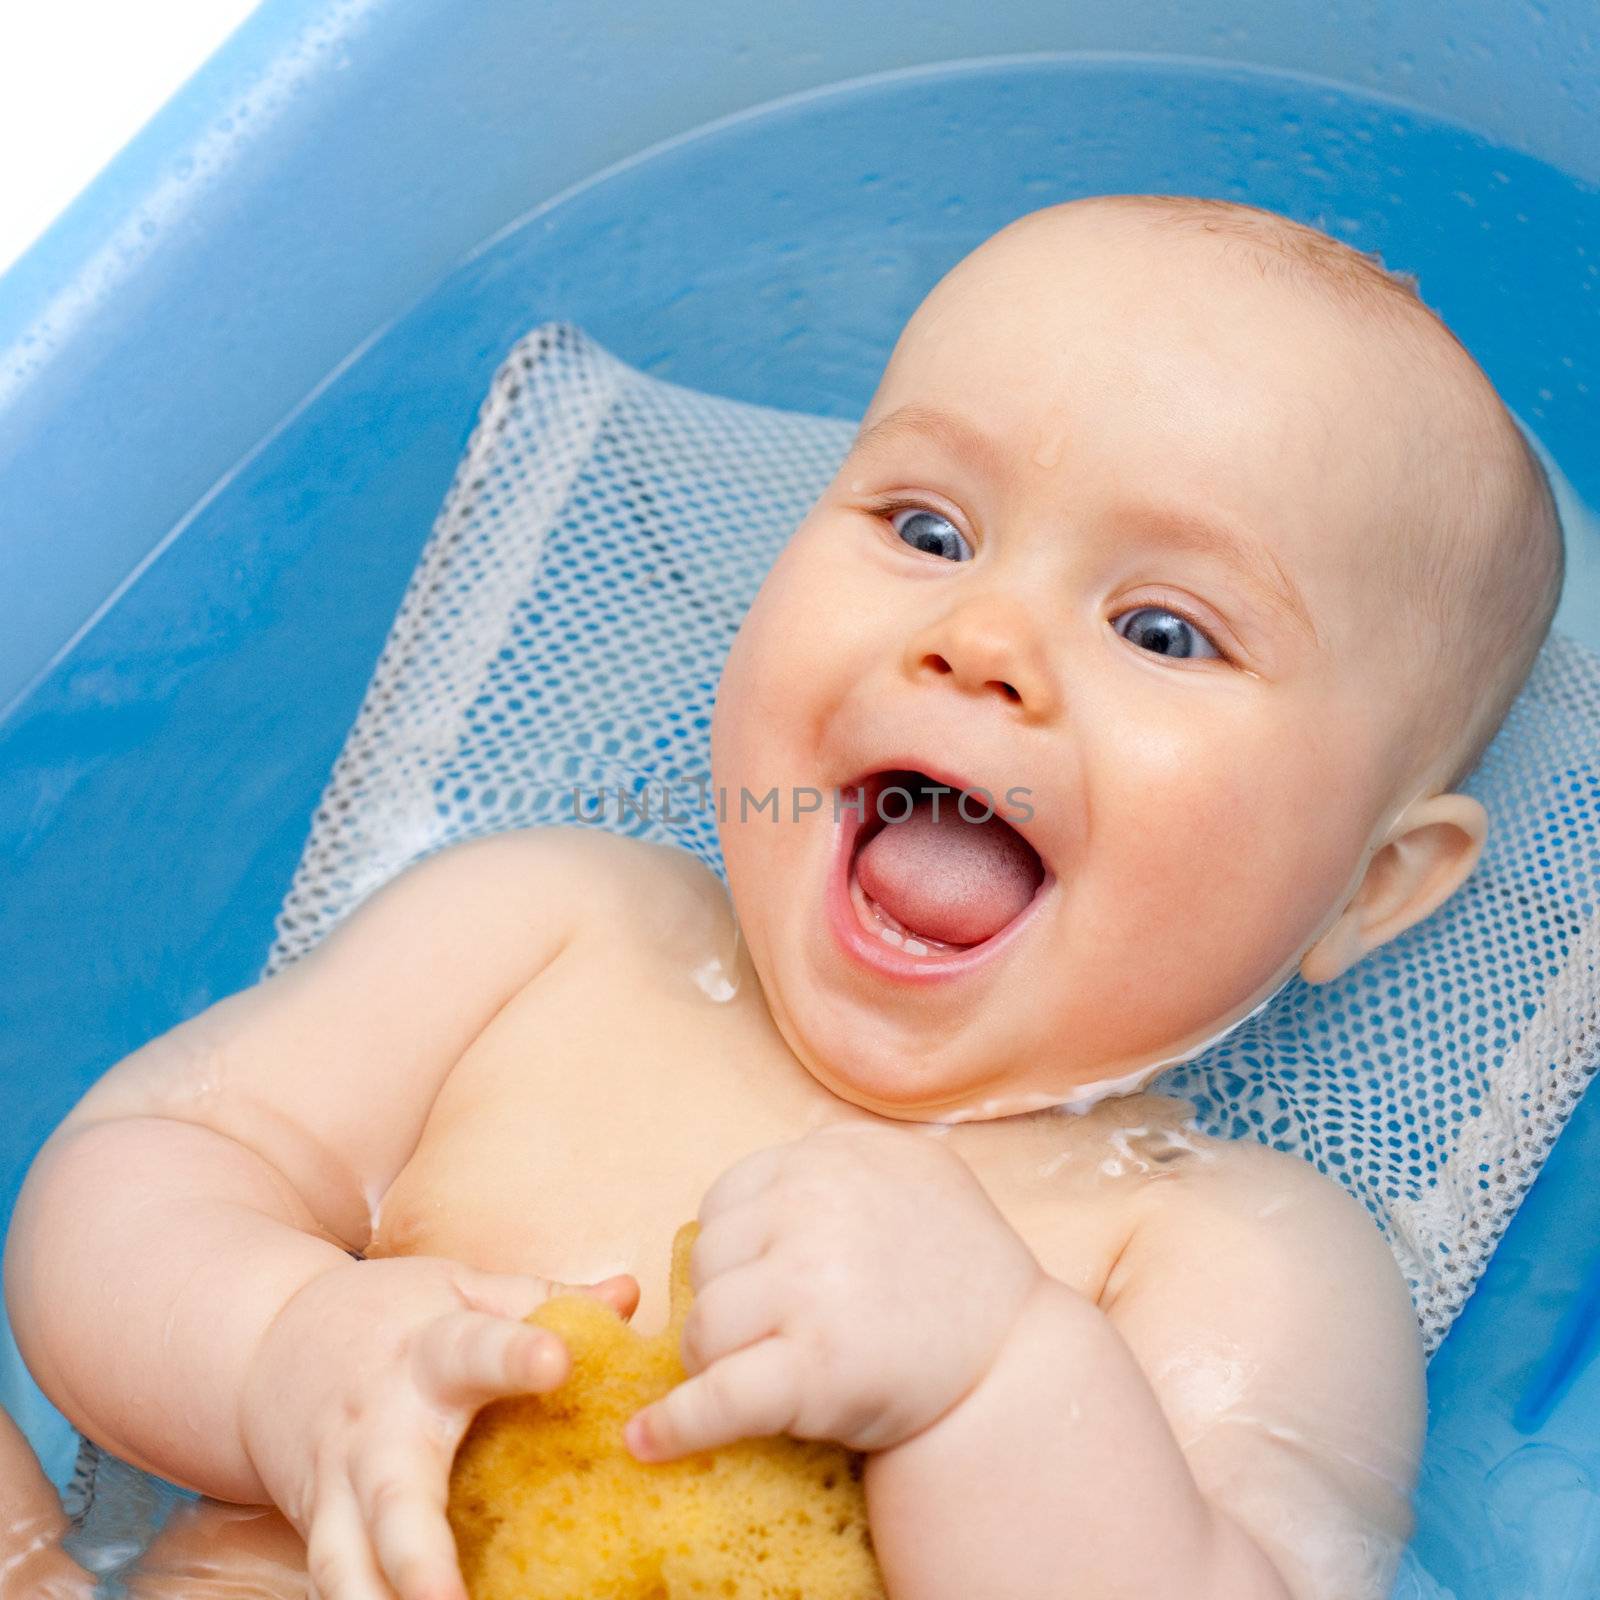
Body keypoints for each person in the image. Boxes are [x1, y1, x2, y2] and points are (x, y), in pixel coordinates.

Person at [3, 195, 1563, 1600]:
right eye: (929, 529)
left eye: (1162, 631)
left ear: (1374, 886)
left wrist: (997, 1379)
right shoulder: (545, 933)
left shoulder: (1233, 1257)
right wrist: (282, 1345)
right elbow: (141, 1174)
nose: (982, 634)